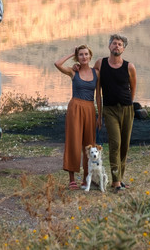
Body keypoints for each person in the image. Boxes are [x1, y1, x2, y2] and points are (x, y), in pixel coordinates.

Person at [54, 44, 100, 190]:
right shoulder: (73, 72)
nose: (84, 57)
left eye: (86, 54)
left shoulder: (96, 73)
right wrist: (71, 53)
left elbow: (98, 95)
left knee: (89, 143)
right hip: (75, 107)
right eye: (80, 54)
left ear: (90, 56)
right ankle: (72, 179)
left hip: (90, 108)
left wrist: (100, 115)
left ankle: (88, 177)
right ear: (77, 57)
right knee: (74, 142)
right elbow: (57, 64)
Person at [94, 33, 137, 191]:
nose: (116, 46)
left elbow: (133, 87)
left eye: (120, 44)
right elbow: (97, 91)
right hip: (109, 109)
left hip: (126, 109)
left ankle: (120, 178)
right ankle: (115, 181)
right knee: (115, 144)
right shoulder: (100, 64)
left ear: (123, 49)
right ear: (109, 46)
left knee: (124, 146)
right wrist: (99, 114)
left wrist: (129, 105)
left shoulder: (129, 67)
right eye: (114, 43)